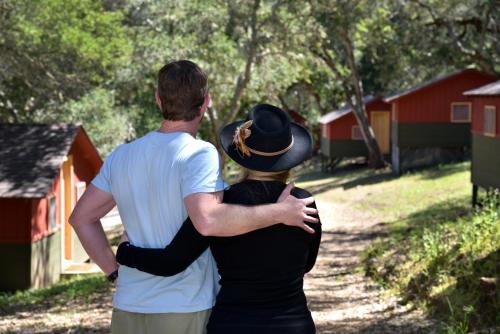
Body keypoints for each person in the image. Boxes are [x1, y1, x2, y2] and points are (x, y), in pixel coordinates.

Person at [69, 60, 318, 334]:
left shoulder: (121, 156)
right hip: (189, 307)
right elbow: (209, 221)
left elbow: (82, 218)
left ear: (158, 99)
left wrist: (116, 267)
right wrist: (280, 212)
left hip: (132, 303)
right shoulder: (201, 155)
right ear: (205, 103)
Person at [116, 103, 322, 334]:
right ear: (289, 156)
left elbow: (170, 262)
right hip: (292, 325)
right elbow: (307, 264)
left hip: (232, 324)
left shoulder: (220, 205)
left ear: (241, 154)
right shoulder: (303, 204)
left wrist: (125, 251)